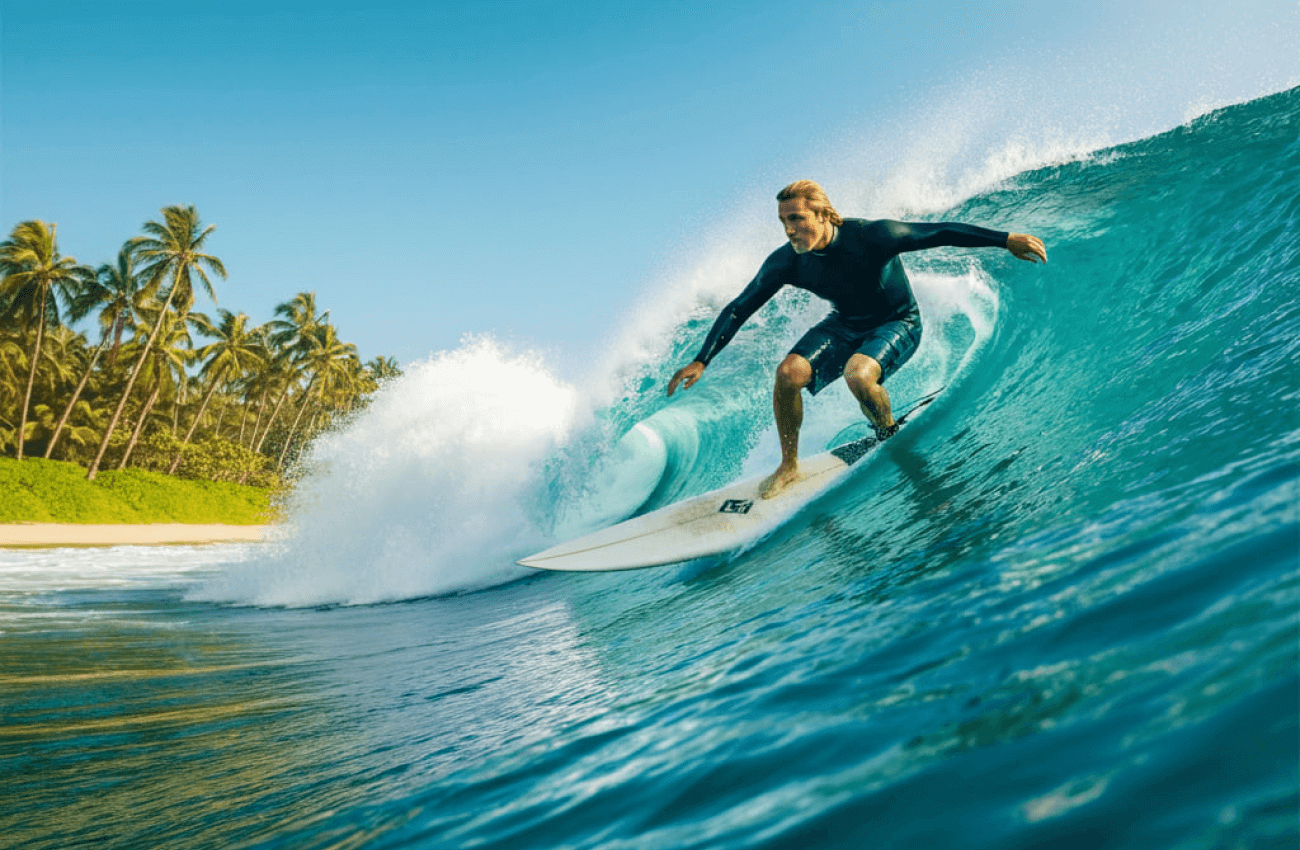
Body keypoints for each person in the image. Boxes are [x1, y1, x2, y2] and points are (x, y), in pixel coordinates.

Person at [667, 180, 1047, 499]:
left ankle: (887, 433)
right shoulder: (788, 261)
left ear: (824, 215)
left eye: (796, 219)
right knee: (787, 374)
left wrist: (1005, 239)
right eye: (783, 221)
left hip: (897, 322)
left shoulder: (871, 236)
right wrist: (704, 359)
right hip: (844, 324)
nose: (788, 230)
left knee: (858, 375)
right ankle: (789, 466)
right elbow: (740, 306)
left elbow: (939, 231)